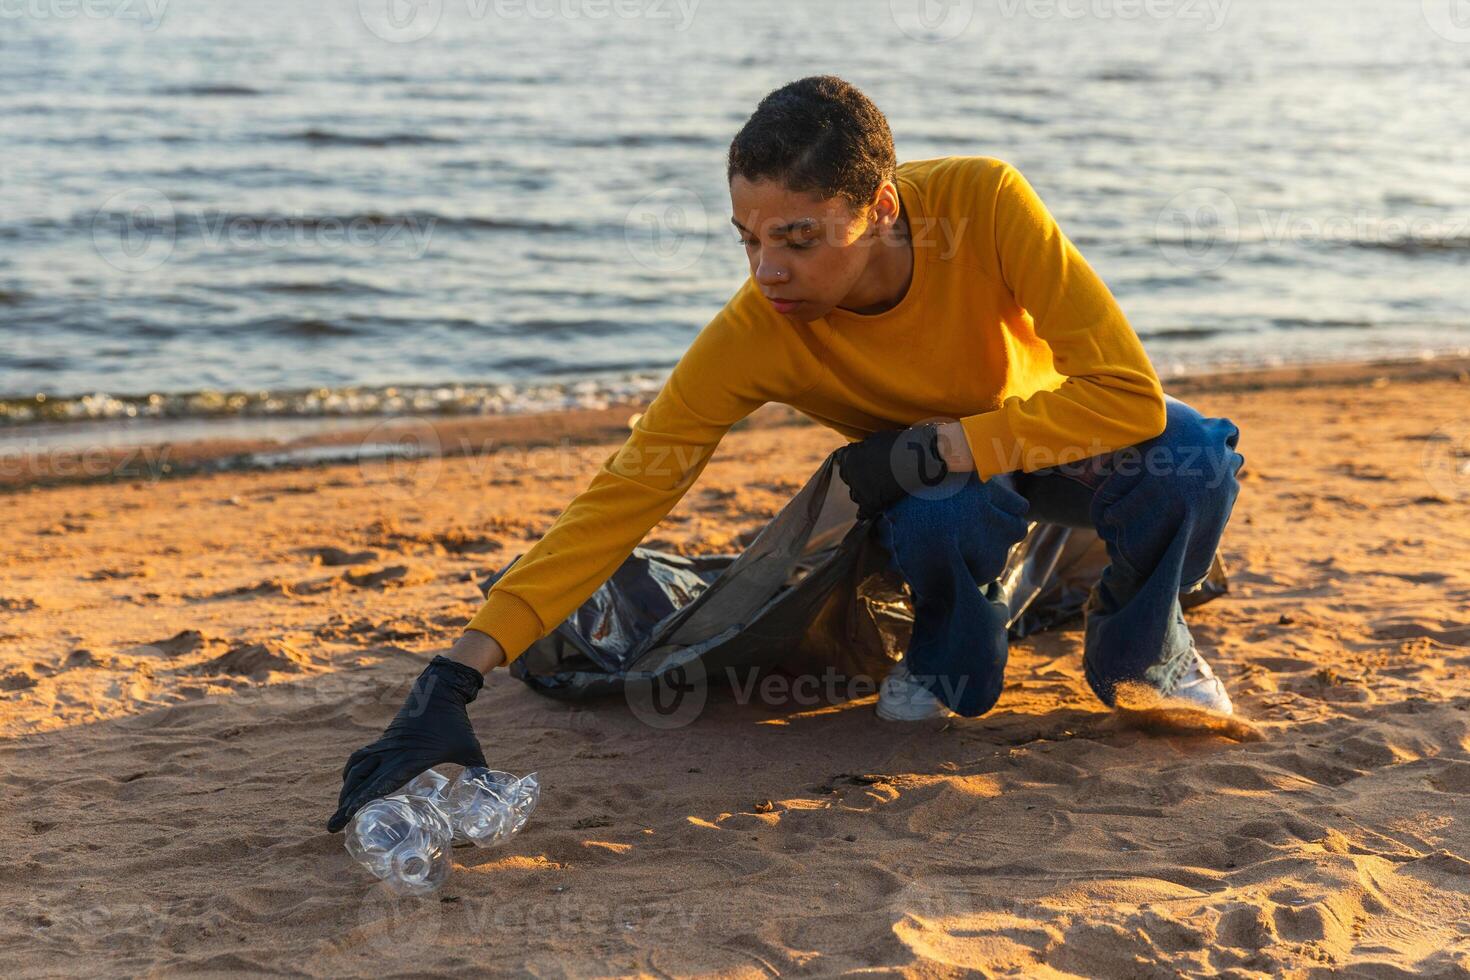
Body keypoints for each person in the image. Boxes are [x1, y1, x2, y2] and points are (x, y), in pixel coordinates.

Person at [327, 75, 1244, 832]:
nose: (767, 270)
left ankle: (1142, 646)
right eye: (748, 239)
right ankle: (945, 649)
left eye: (797, 239)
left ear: (882, 206)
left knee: (1197, 455)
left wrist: (938, 446)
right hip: (940, 503)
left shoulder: (984, 203)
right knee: (952, 547)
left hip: (1055, 438)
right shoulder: (756, 330)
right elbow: (623, 497)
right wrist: (453, 673)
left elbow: (1123, 391)